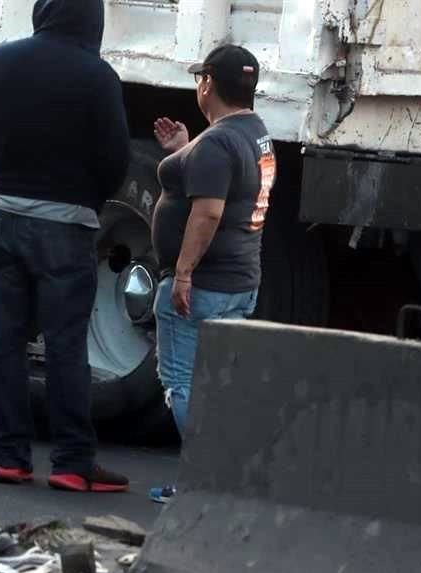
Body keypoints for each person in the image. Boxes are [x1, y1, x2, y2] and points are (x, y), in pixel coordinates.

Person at [0, 0, 132, 492]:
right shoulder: (98, 77)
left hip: (6, 216)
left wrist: (8, 177)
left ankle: (10, 458)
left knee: (8, 341)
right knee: (64, 344)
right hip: (67, 223)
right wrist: (86, 198)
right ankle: (72, 462)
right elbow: (115, 157)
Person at [149, 45, 276, 503]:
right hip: (240, 282)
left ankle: (203, 484)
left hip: (204, 286)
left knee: (182, 383)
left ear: (207, 84)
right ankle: (224, 479)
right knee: (218, 386)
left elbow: (207, 213)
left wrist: (182, 274)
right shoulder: (254, 134)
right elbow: (229, 185)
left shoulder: (219, 144)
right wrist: (186, 151)